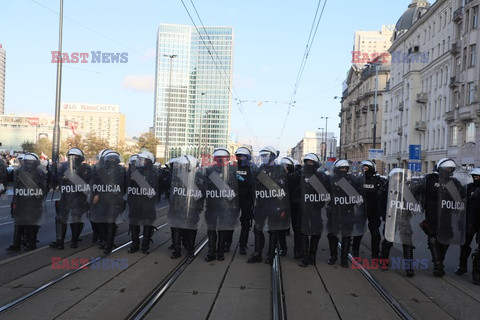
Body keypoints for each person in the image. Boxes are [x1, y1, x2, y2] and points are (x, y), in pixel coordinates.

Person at [420, 158, 467, 277]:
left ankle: (439, 260)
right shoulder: (429, 179)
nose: (449, 171)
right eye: (447, 168)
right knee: (433, 237)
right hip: (431, 214)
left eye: (451, 169)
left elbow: (461, 197)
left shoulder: (453, 182)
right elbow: (419, 192)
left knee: (446, 239)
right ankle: (438, 264)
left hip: (447, 215)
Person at [247, 146, 290, 264]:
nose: (263, 158)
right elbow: (253, 183)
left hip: (275, 205)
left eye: (266, 156)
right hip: (262, 204)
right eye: (262, 156)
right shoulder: (260, 168)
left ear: (272, 156)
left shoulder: (280, 169)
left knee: (273, 230)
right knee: (257, 229)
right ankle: (257, 253)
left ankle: (271, 255)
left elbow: (279, 189)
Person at [379, 168, 423, 277]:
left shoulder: (407, 188)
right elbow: (381, 202)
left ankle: (409, 267)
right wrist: (384, 216)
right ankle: (384, 261)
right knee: (388, 240)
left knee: (407, 242)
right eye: (396, 176)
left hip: (404, 218)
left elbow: (414, 204)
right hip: (391, 218)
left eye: (400, 176)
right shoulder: (386, 187)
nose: (398, 179)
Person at [50, 148, 92, 250]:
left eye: (75, 157)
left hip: (79, 198)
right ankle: (61, 241)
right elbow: (56, 179)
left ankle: (73, 240)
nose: (73, 159)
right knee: (61, 219)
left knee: (75, 218)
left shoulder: (85, 168)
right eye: (72, 157)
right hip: (65, 197)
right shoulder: (64, 167)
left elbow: (88, 185)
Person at [327, 159, 365, 268]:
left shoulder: (352, 180)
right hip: (334, 212)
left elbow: (359, 197)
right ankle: (333, 256)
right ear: (337, 169)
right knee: (332, 235)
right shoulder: (331, 179)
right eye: (341, 168)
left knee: (347, 236)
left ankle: (344, 259)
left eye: (345, 168)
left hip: (348, 212)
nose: (343, 170)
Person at [204, 148, 239, 261]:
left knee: (216, 229)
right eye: (218, 158)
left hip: (221, 205)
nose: (220, 160)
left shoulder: (231, 171)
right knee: (215, 229)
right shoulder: (209, 171)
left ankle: (215, 251)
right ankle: (216, 252)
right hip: (216, 205)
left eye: (221, 158)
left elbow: (237, 187)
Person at [7, 153, 47, 251]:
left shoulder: (40, 173)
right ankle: (16, 243)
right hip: (20, 200)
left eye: (31, 161)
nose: (28, 163)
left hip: (33, 201)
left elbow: (42, 188)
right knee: (18, 222)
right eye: (26, 161)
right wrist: (14, 202)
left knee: (31, 223)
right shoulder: (19, 171)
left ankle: (31, 243)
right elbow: (16, 187)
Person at [90, 151, 127, 254]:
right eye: (110, 160)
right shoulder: (101, 170)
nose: (112, 162)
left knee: (110, 222)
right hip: (104, 199)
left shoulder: (122, 170)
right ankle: (105, 240)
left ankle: (108, 244)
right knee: (103, 222)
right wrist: (96, 194)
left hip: (114, 199)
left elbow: (126, 185)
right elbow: (96, 183)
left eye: (113, 160)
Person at [168, 155, 204, 258]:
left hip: (192, 208)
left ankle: (190, 250)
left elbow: (201, 194)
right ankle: (176, 250)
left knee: (191, 229)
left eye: (183, 166)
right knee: (176, 228)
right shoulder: (176, 176)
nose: (181, 167)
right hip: (177, 207)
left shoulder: (198, 177)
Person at [297, 153, 330, 267]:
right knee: (304, 233)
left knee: (316, 232)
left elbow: (327, 193)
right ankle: (305, 257)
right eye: (307, 162)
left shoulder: (321, 176)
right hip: (303, 210)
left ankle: (312, 256)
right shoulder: (299, 175)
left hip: (316, 210)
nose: (308, 164)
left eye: (311, 162)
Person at [351, 160, 386, 258]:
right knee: (359, 232)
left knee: (375, 234)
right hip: (361, 209)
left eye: (367, 168)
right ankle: (355, 251)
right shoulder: (358, 180)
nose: (364, 170)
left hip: (374, 210)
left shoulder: (379, 181)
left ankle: (375, 255)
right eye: (363, 168)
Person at [126, 151, 159, 254]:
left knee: (147, 224)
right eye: (139, 160)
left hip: (147, 203)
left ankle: (145, 245)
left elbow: (153, 191)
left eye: (143, 161)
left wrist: (137, 178)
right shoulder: (134, 172)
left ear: (148, 162)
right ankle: (135, 244)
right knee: (134, 224)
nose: (140, 163)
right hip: (135, 202)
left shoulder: (153, 173)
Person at [456, 168, 480, 281]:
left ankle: (476, 273)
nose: (476, 177)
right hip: (469, 220)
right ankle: (462, 266)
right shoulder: (469, 187)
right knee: (465, 244)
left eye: (478, 175)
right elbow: (460, 201)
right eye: (474, 175)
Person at [235, 147, 257, 255]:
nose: (241, 158)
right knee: (229, 221)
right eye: (239, 156)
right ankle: (226, 243)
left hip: (247, 199)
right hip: (233, 198)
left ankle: (242, 245)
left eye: (243, 156)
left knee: (245, 223)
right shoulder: (232, 167)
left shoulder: (253, 168)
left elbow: (263, 179)